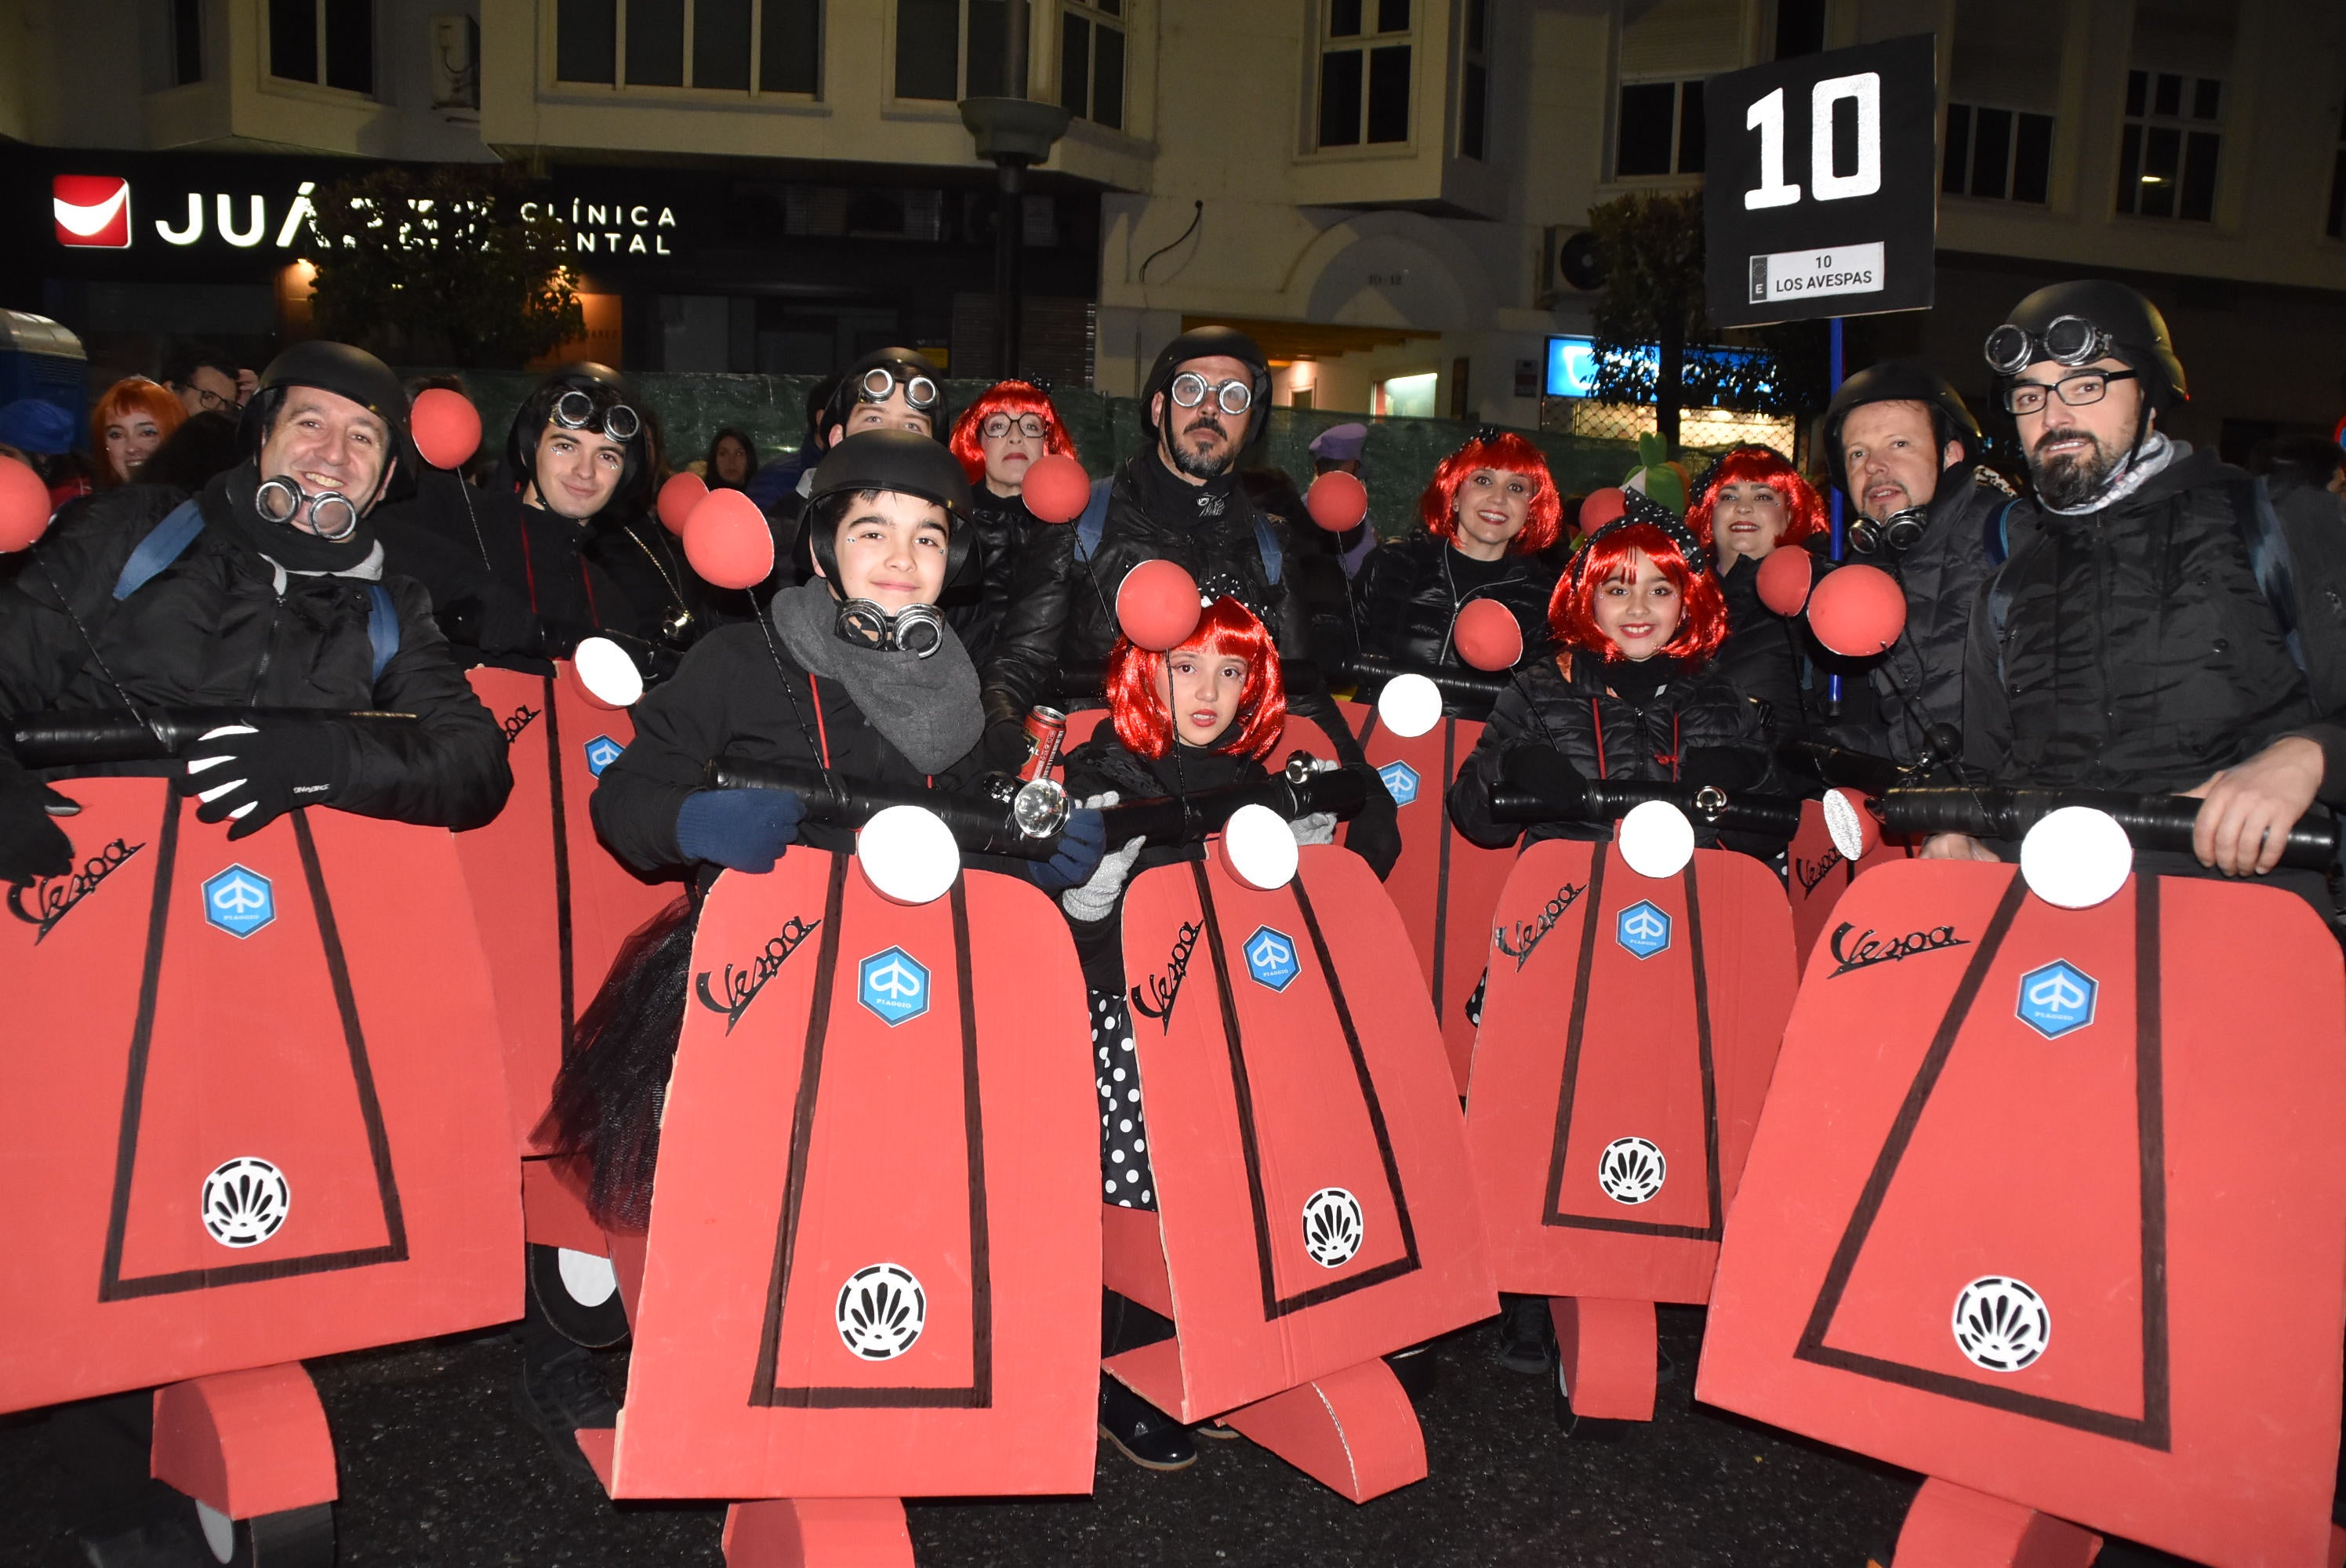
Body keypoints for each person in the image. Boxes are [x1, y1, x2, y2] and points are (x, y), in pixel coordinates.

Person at [0, 341, 512, 1560]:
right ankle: (113, 1498)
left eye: (363, 440)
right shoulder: (137, 535)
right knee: (96, 1201)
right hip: (98, 934)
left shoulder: (392, 599)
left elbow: (474, 762)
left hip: (269, 958)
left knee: (238, 1189)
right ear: (263, 433)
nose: (332, 452)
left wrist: (327, 755)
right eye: (313, 426)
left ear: (387, 477)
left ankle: (217, 1416)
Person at [526, 430, 1105, 1474]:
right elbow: (629, 801)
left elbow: (980, 825)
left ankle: (874, 1378)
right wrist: (698, 822)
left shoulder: (960, 689)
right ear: (825, 546)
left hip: (907, 980)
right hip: (760, 973)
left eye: (927, 537)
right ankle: (699, 1386)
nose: (901, 555)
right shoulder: (745, 655)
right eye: (872, 529)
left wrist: (1042, 846)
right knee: (728, 1199)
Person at [1927, 281, 2346, 912]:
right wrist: (1956, 829)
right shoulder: (2009, 584)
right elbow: (1984, 770)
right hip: (2046, 915)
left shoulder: (2279, 521)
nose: (2054, 415)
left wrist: (2307, 755)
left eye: (2087, 384)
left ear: (2150, 395)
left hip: (2241, 915)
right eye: (2029, 394)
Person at [1054, 593, 1329, 1472]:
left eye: (1231, 670)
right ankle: (1115, 1372)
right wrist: (1086, 900)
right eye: (1186, 667)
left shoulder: (1252, 780)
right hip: (1128, 1027)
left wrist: (1304, 866)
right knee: (1138, 1204)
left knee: (1230, 1194)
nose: (1208, 691)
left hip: (1232, 1022)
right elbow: (1045, 932)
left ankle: (1205, 1348)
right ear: (1146, 670)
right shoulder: (1099, 772)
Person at [979, 325, 1401, 876]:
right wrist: (1011, 763)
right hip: (1103, 798)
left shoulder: (1270, 540)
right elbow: (1018, 666)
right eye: (1190, 390)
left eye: (1233, 397)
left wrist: (1365, 787)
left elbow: (1300, 688)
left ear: (1251, 422)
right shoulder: (1084, 523)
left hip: (1227, 803)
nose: (1209, 409)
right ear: (1158, 407)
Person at [1447, 489, 1776, 856]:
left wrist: (1750, 774)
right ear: (1588, 600)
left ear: (1685, 605)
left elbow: (1765, 842)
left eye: (1660, 590)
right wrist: (1509, 763)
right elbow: (1476, 823)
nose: (1639, 608)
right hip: (1562, 896)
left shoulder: (1724, 700)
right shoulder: (1536, 691)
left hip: (1691, 896)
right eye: (1618, 590)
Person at [375, 365, 703, 664]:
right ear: (531, 448)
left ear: (625, 475)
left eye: (606, 456)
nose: (585, 471)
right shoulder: (455, 513)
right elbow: (357, 529)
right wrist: (471, 586)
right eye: (565, 446)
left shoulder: (610, 603)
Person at [1816, 361, 2010, 762]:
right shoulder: (1862, 571)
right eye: (1857, 453)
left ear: (1951, 454)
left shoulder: (2011, 537)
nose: (1873, 466)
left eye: (1899, 444)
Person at [1349, 429, 1564, 696]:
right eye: (1483, 480)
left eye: (1516, 487)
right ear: (1453, 497)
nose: (1499, 498)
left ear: (1531, 510)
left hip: (1480, 739)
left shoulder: (1547, 600)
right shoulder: (1391, 564)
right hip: (1376, 732)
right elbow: (1339, 641)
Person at [1683, 445, 1828, 739]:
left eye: (1763, 496)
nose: (1743, 507)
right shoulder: (1671, 593)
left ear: (1791, 513)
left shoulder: (1821, 594)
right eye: (1728, 496)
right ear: (1710, 515)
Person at [946, 379, 1080, 665]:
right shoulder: (947, 520)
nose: (1015, 437)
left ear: (1048, 443)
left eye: (1031, 426)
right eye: (997, 426)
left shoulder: (1078, 525)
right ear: (978, 442)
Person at [1307, 422, 1378, 577]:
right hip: (1340, 597)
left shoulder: (1301, 503)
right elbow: (1363, 569)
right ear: (1351, 465)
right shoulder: (1350, 507)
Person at [89, 377, 183, 489]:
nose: (131, 449)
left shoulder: (201, 504)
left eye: (147, 433)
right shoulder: (91, 505)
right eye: (117, 435)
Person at [706, 426, 757, 492]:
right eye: (723, 454)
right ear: (714, 460)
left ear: (749, 460)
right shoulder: (701, 496)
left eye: (739, 454)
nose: (731, 462)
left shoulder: (763, 496)